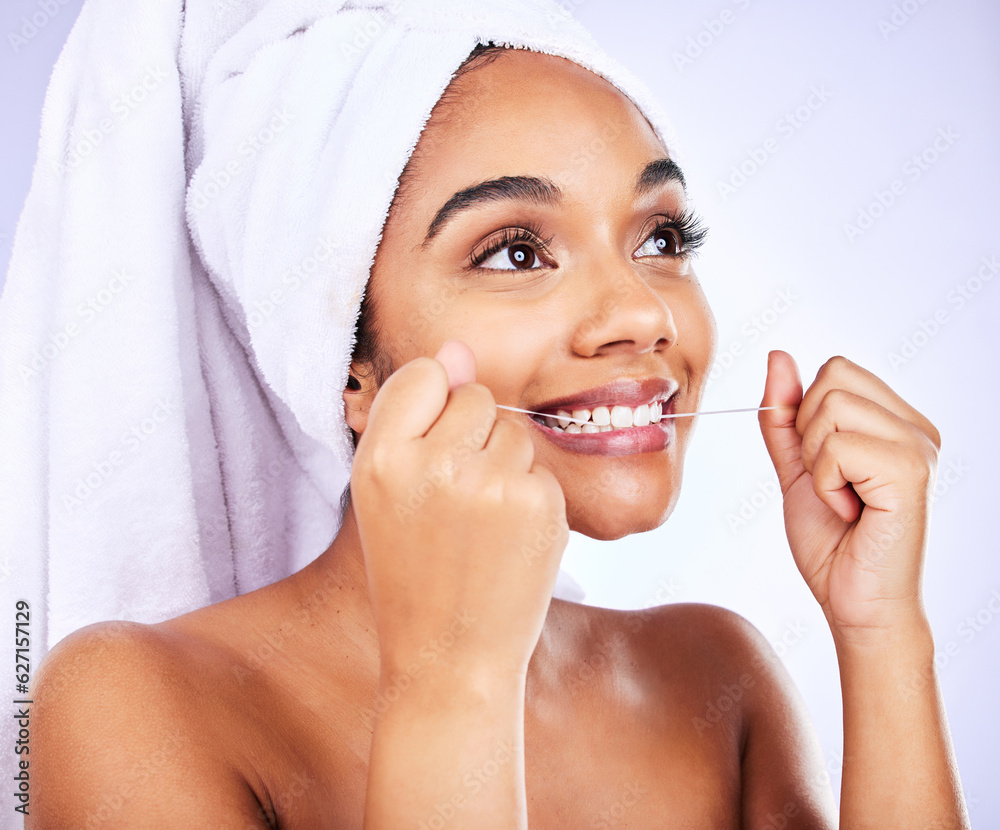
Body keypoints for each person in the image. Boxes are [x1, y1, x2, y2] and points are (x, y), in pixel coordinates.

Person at [27, 28, 968, 830]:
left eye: (661, 239)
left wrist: (884, 634)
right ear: (350, 368)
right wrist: (450, 683)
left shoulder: (714, 676)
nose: (642, 312)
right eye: (517, 251)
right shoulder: (131, 705)